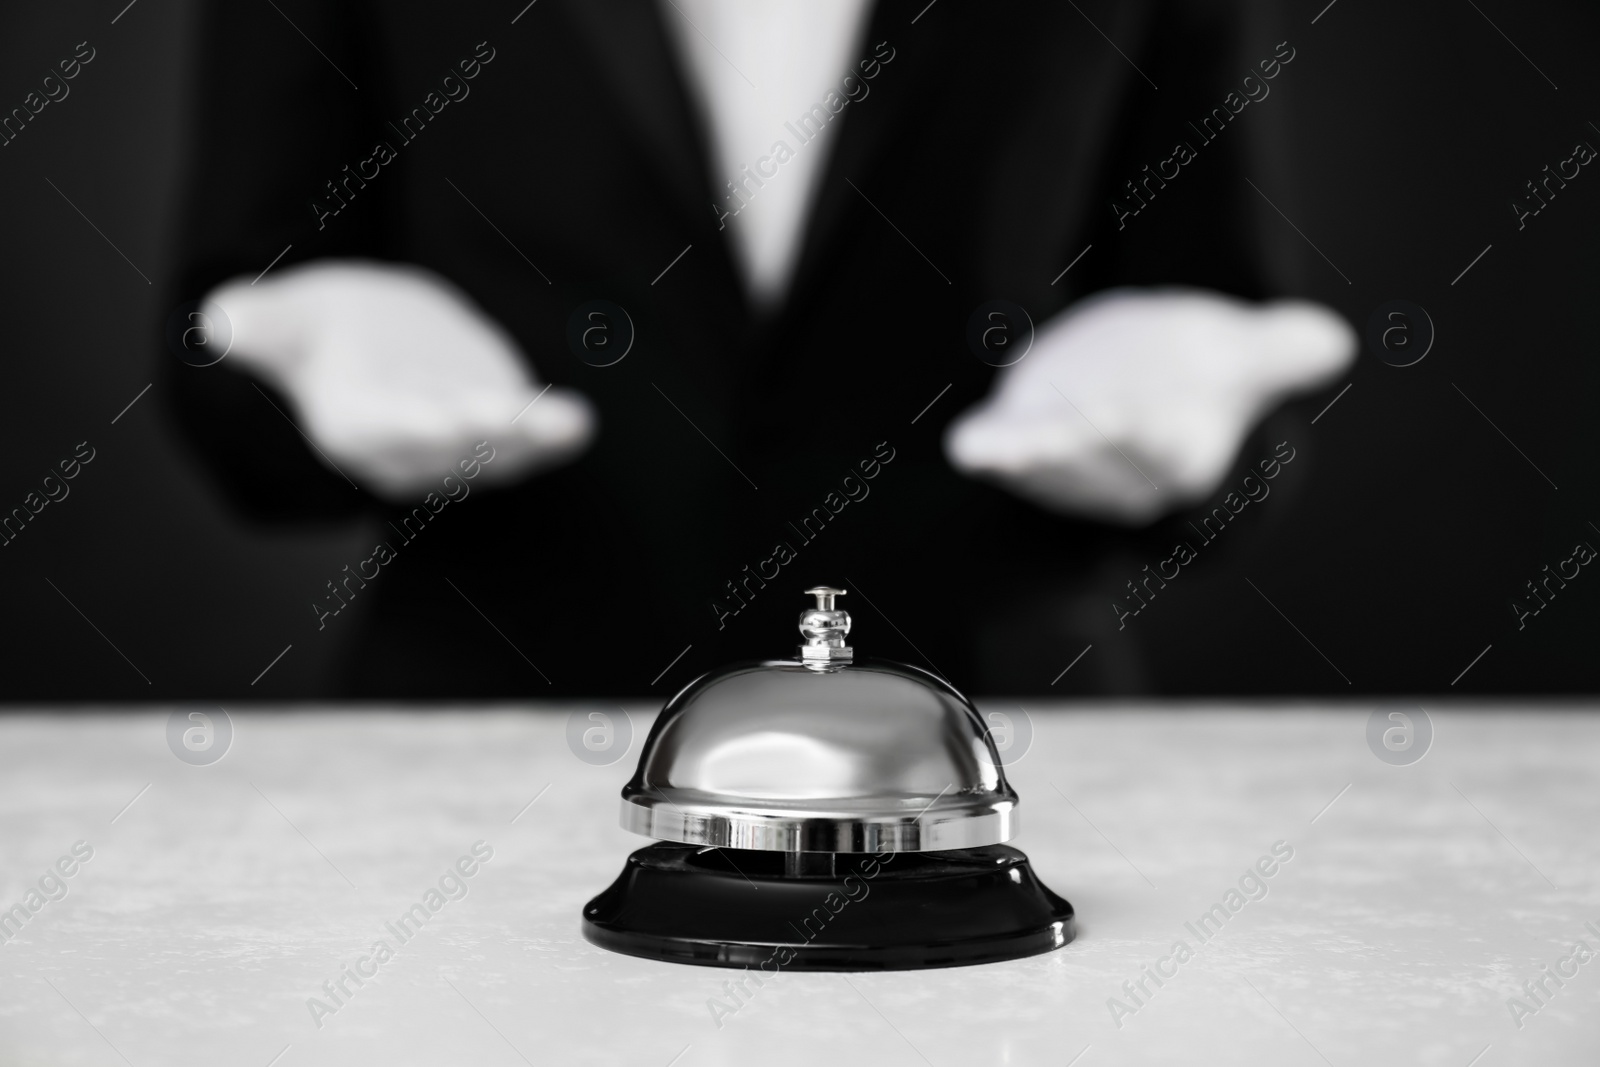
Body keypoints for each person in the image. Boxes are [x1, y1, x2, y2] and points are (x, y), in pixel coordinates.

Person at [165, 0, 1352, 697]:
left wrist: (1193, 440)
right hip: (481, 738)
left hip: (1004, 746)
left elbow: (1237, 359)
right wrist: (311, 372)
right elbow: (215, 362)